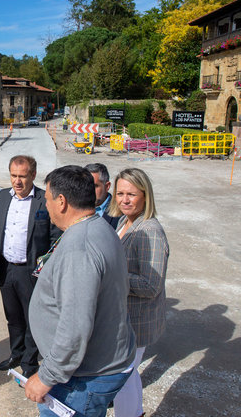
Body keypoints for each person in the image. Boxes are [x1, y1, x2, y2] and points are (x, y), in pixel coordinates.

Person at [25, 165, 136, 417]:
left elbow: (75, 325)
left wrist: (46, 376)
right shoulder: (97, 227)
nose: (46, 206)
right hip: (93, 365)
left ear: (61, 201)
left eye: (48, 200)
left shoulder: (80, 248)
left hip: (84, 377)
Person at [0, 155, 61, 376]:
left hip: (31, 272)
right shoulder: (3, 197)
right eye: (13, 175)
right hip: (6, 268)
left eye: (22, 176)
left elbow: (54, 237)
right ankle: (16, 354)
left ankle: (30, 363)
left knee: (33, 320)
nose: (17, 181)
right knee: (13, 317)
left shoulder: (43, 200)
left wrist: (46, 270)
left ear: (33, 175)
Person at [110, 168, 169, 417]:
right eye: (120, 193)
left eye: (131, 194)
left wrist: (113, 276)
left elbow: (151, 285)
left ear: (145, 196)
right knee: (127, 375)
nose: (124, 200)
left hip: (138, 322)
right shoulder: (125, 221)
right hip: (124, 319)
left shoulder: (150, 231)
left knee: (121, 378)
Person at [84, 163, 119, 229]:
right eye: (85, 186)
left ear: (107, 186)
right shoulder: (75, 207)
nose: (88, 190)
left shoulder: (120, 212)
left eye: (94, 186)